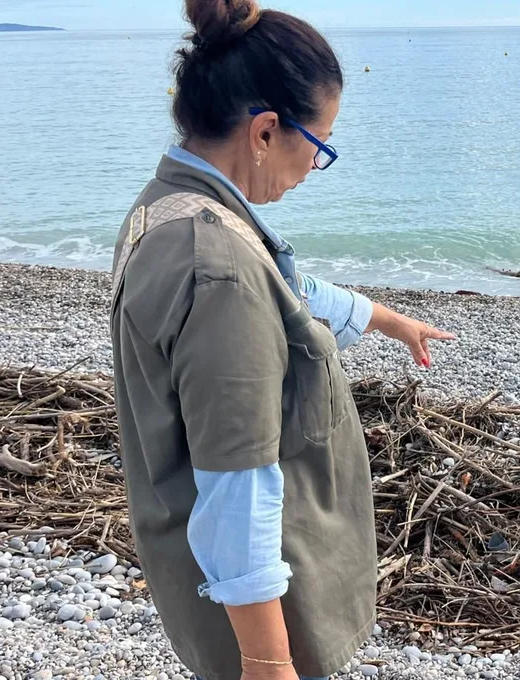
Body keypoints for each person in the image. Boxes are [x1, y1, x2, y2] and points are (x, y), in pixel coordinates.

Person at [108, 1, 454, 678]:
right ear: (266, 132)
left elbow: (284, 289)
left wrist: (387, 319)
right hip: (266, 614)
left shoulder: (168, 207)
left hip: (211, 585)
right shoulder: (217, 273)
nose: (313, 168)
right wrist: (268, 663)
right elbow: (237, 486)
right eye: (319, 147)